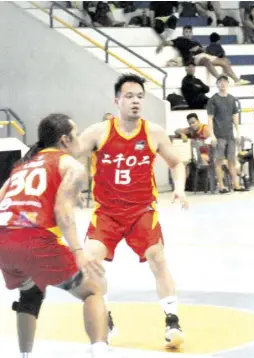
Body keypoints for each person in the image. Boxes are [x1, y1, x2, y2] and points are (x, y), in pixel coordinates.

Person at [76, 74, 189, 348]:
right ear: (117, 101)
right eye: (129, 96)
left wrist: (180, 189)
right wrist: (76, 185)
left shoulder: (154, 132)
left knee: (157, 258)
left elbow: (177, 163)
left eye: (140, 96)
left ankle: (172, 320)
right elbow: (73, 157)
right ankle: (106, 317)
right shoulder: (98, 131)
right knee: (91, 263)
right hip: (107, 213)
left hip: (141, 211)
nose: (136, 101)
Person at [0, 113, 109, 358]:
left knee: (30, 293)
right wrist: (79, 253)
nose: (80, 139)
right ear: (64, 140)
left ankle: (24, 356)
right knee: (93, 289)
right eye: (76, 134)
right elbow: (62, 211)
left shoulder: (22, 166)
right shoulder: (72, 165)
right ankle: (101, 351)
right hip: (35, 242)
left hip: (3, 241)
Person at [207, 75, 246, 193]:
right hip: (219, 135)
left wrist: (238, 132)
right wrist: (212, 135)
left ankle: (236, 184)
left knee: (232, 160)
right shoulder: (213, 100)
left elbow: (235, 117)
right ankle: (221, 186)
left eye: (225, 82)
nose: (223, 84)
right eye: (220, 82)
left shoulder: (232, 99)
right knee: (218, 160)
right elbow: (210, 118)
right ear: (217, 84)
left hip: (230, 135)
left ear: (228, 84)